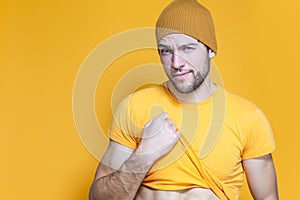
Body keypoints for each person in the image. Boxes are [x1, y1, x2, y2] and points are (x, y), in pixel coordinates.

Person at [89, 0, 279, 199]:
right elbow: (99, 198)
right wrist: (145, 153)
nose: (176, 63)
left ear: (210, 49)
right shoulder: (134, 107)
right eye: (166, 51)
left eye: (187, 48)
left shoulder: (248, 118)